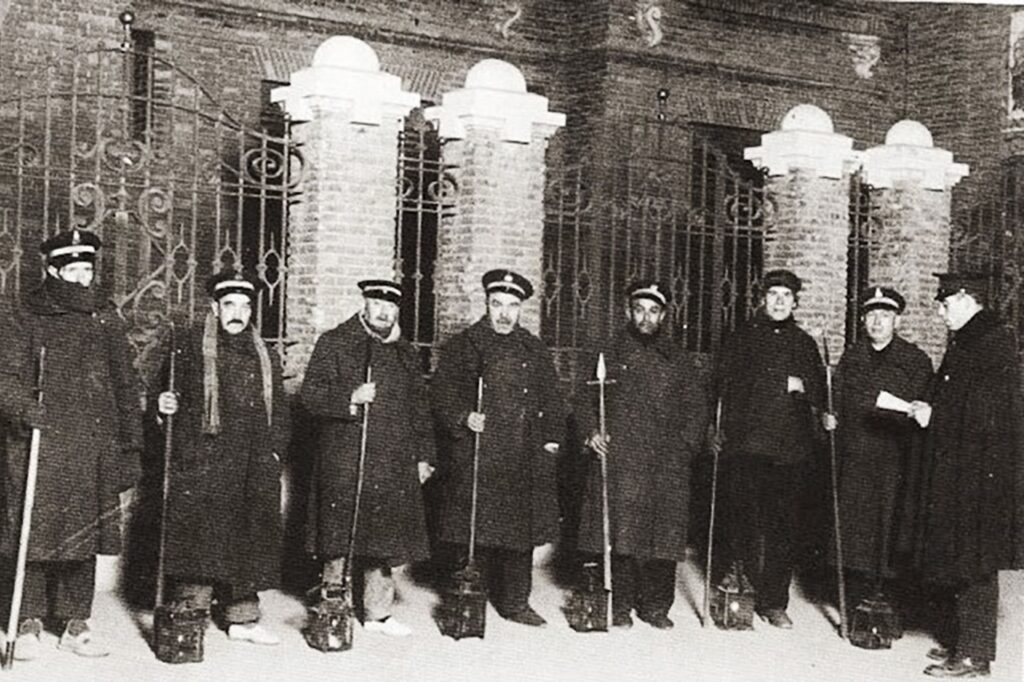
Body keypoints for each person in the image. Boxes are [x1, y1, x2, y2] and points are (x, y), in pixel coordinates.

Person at [1, 229, 142, 660]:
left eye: (87, 270)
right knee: (35, 530)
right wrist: (25, 408)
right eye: (73, 270)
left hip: (92, 443)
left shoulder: (105, 316)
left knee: (84, 533)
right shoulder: (26, 313)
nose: (83, 279)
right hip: (39, 441)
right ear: (52, 270)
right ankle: (27, 619)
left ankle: (76, 621)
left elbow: (124, 381)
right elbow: (5, 376)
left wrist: (131, 443)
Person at [155, 271, 290, 646]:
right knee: (202, 540)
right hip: (205, 460)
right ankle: (190, 614)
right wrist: (163, 406)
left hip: (253, 463)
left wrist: (275, 451)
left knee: (249, 537)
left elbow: (280, 411)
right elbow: (165, 395)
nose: (238, 313)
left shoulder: (264, 354)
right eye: (230, 305)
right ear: (215, 308)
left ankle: (242, 618)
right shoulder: (189, 346)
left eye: (245, 306)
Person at [431, 269, 566, 627]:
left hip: (523, 452)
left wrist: (551, 439)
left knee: (520, 533)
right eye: (497, 304)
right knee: (474, 529)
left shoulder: (533, 349)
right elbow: (441, 394)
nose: (504, 313)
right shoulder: (464, 345)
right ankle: (467, 598)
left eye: (512, 306)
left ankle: (516, 602)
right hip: (479, 451)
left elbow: (553, 398)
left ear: (521, 308)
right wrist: (463, 416)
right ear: (486, 304)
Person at [301, 279, 436, 637]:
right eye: (377, 304)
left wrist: (424, 456)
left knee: (383, 537)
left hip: (392, 460)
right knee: (338, 535)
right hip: (345, 456)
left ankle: (378, 613)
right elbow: (310, 395)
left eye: (390, 306)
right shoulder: (334, 342)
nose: (384, 312)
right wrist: (350, 397)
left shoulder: (405, 353)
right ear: (364, 305)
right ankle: (333, 606)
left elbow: (420, 409)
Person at [575, 280, 709, 629]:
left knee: (663, 537)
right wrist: (591, 433)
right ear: (628, 311)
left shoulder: (679, 359)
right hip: (622, 458)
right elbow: (583, 400)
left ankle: (655, 607)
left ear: (663, 315)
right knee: (621, 535)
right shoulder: (608, 352)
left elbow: (697, 409)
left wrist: (685, 447)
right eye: (639, 310)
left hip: (666, 462)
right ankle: (619, 605)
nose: (645, 318)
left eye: (653, 311)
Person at [912, 272, 1022, 679]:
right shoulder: (971, 339)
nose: (940, 314)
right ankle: (964, 644)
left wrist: (934, 415)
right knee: (961, 557)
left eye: (944, 305)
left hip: (980, 476)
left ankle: (975, 656)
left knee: (976, 562)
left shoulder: (993, 342)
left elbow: (985, 413)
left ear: (964, 298)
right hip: (964, 469)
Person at [712, 268, 825, 629]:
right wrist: (778, 382)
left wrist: (803, 387)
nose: (779, 301)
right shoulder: (741, 337)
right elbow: (721, 382)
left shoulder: (805, 344)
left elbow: (821, 392)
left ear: (795, 303)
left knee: (783, 529)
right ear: (762, 299)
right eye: (773, 295)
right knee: (743, 523)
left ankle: (774, 602)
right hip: (747, 446)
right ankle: (740, 592)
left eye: (786, 296)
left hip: (789, 451)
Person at [823, 287, 932, 620]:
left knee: (891, 533)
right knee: (855, 533)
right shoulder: (852, 357)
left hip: (894, 461)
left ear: (897, 321)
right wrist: (829, 418)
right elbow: (837, 401)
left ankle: (888, 607)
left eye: (885, 316)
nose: (877, 322)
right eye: (871, 315)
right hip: (855, 459)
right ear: (863, 320)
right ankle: (855, 605)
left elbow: (923, 410)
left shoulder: (915, 360)